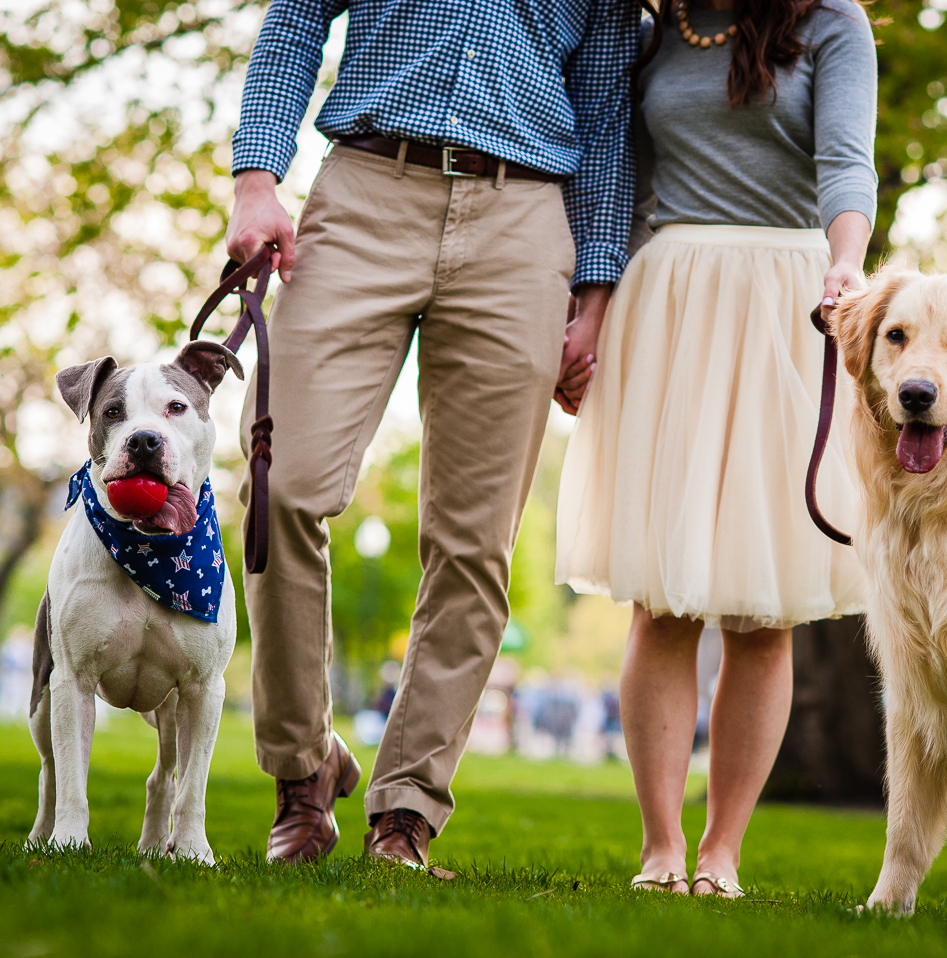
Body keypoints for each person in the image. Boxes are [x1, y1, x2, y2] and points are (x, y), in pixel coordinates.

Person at [226, 0, 638, 872]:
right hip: (368, 190)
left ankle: (405, 810)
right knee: (280, 487)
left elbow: (605, 115)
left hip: (523, 217)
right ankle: (304, 771)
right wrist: (258, 179)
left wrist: (595, 292)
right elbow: (297, 18)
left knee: (473, 543)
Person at [555, 0, 878, 897]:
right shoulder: (653, 28)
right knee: (660, 601)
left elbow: (848, 165)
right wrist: (590, 311)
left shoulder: (831, 22)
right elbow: (620, 184)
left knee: (763, 610)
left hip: (788, 300)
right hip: (671, 307)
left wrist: (846, 261)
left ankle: (722, 853)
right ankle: (661, 849)